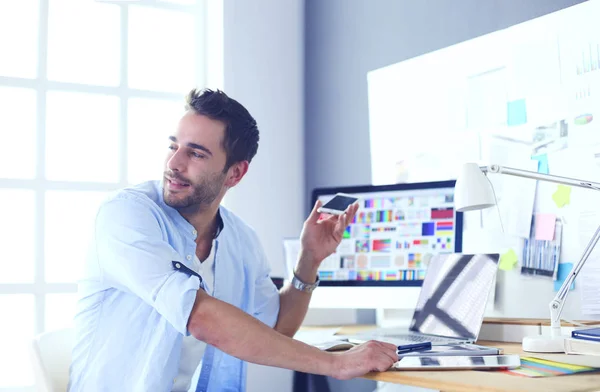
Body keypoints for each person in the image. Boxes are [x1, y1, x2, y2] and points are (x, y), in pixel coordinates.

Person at [68, 88, 397, 392]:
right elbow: (198, 315)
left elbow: (277, 328)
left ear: (235, 173)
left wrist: (309, 259)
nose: (173, 164)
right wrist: (336, 364)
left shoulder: (241, 240)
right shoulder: (125, 216)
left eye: (195, 154)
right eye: (173, 146)